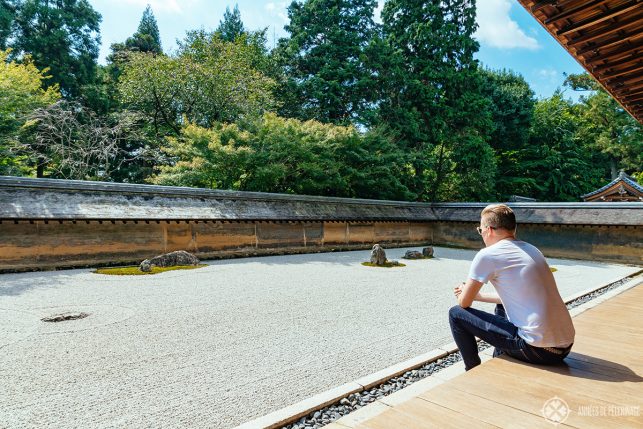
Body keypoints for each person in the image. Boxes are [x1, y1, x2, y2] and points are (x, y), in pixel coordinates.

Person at [448, 204, 575, 371]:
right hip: (564, 348)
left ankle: (472, 370)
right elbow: (515, 297)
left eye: (480, 230)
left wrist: (465, 292)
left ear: (489, 230)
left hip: (538, 350)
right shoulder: (532, 249)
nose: (482, 235)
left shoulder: (487, 255)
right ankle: (499, 356)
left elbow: (464, 303)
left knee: (456, 314)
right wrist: (477, 295)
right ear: (513, 229)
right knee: (502, 305)